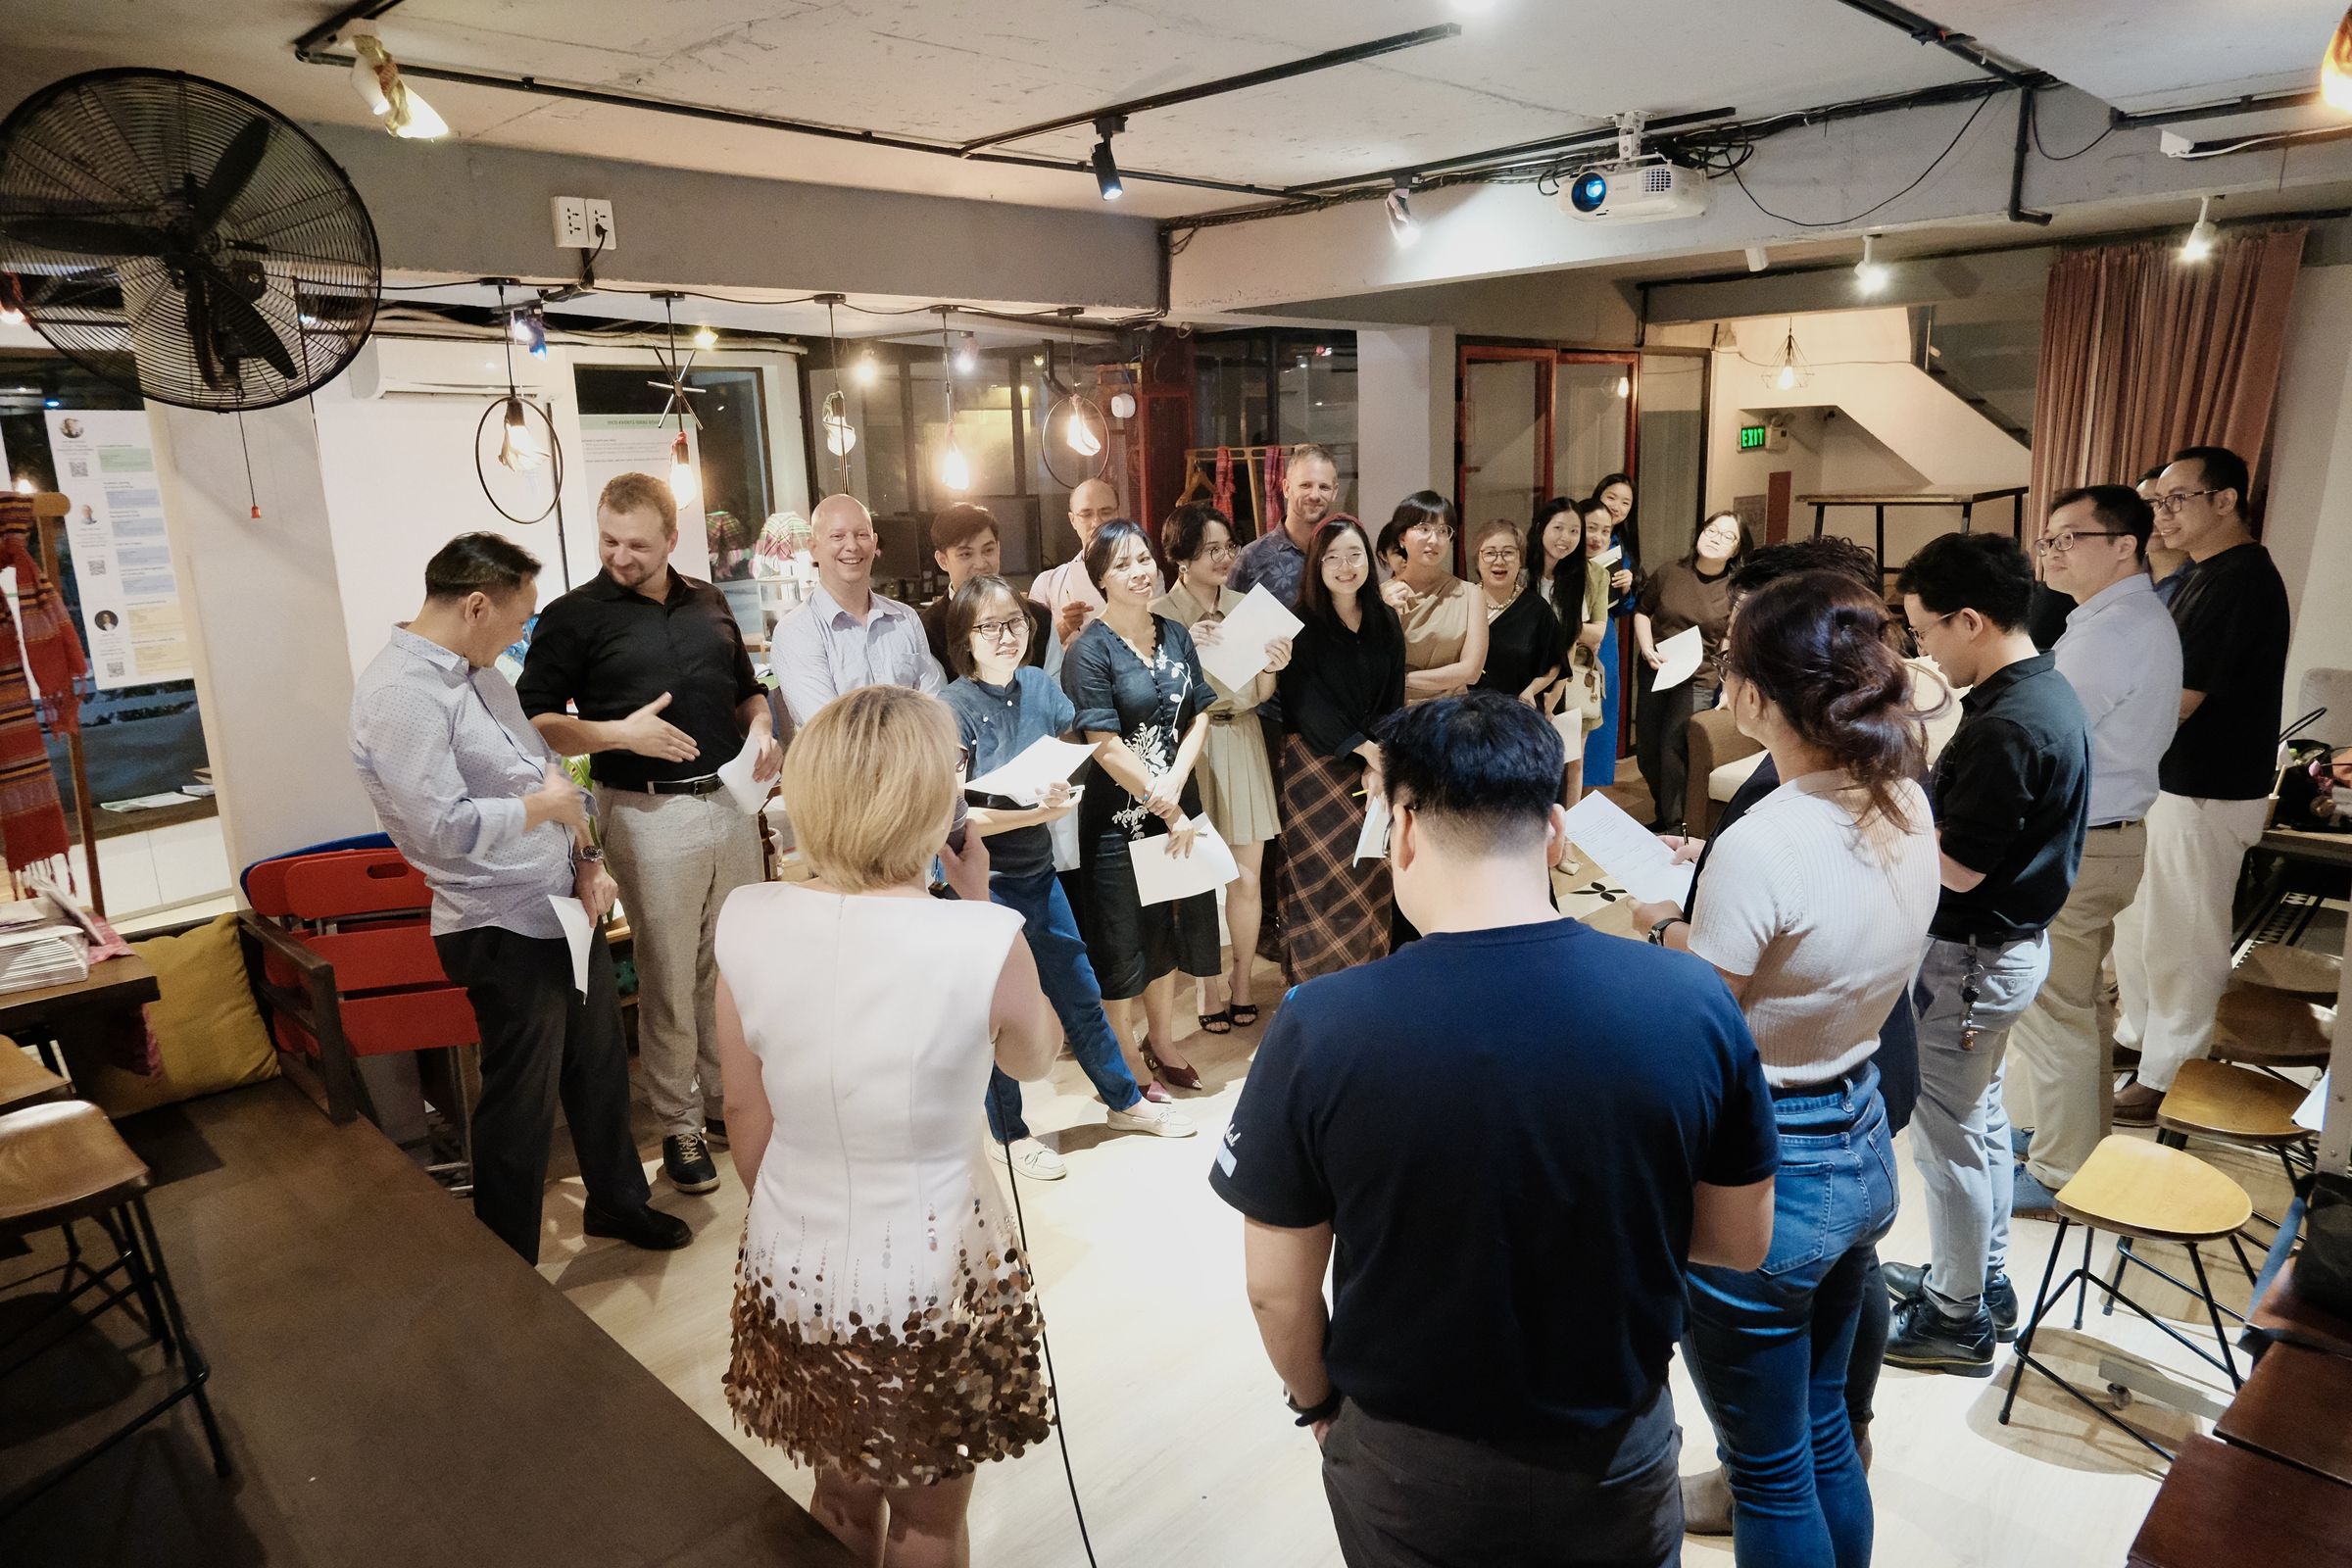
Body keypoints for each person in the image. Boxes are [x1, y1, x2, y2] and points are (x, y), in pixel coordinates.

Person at [1211, 692, 1779, 1568]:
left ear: (1402, 830)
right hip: (1615, 1446)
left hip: (1409, 1458)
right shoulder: (1690, 997)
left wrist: (1317, 1405)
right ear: (1555, 832)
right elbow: (1740, 1242)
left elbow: (1275, 1290)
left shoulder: (1320, 1023)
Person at [1632, 534, 1941, 1538]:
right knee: (1822, 1432)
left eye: (1731, 662)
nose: (1722, 678)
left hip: (1775, 1160)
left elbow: (1704, 1018)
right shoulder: (1904, 798)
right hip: (1860, 1126)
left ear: (1761, 697)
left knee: (1767, 1472)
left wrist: (1662, 928)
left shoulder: (1763, 838)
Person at [713, 684, 1057, 1568]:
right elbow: (1034, 1058)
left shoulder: (749, 917)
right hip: (932, 1266)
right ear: (935, 803)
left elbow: (744, 1107)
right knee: (928, 1520)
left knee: (838, 1492)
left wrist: (790, 1211)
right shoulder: (982, 937)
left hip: (793, 1253)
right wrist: (977, 904)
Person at [352, 532, 690, 1263]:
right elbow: (441, 828)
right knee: (521, 1100)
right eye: (518, 618)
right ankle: (507, 1263)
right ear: (476, 606)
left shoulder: (483, 678)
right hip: (496, 921)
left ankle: (618, 1202)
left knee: (599, 1064)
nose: (522, 635)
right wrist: (544, 811)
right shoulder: (400, 694)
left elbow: (547, 773)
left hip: (562, 901)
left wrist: (587, 859)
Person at [518, 472, 779, 1198]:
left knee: (731, 965)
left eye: (636, 544)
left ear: (671, 538)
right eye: (609, 541)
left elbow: (746, 690)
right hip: (645, 810)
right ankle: (678, 1122)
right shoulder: (573, 616)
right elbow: (535, 719)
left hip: (731, 802)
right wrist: (617, 732)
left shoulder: (709, 601)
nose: (620, 556)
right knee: (666, 972)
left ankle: (726, 1096)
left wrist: (761, 727)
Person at [1886, 533, 2090, 1376]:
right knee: (1981, 1122)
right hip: (2003, 952)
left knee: (1950, 1141)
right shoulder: (2043, 689)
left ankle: (1955, 1316)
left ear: (1970, 619)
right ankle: (1983, 1279)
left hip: (1970, 960)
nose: (1924, 650)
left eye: (1926, 630)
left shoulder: (2009, 723)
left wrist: (1882, 823)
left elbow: (1961, 866)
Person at [940, 575, 1193, 1179]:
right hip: (979, 883)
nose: (1007, 636)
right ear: (964, 639)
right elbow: (952, 817)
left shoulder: (1038, 685)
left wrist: (1055, 793)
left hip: (1037, 870)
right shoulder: (950, 708)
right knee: (993, 1012)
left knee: (1079, 988)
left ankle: (1124, 1101)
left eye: (1015, 623)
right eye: (990, 627)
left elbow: (1065, 763)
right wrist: (1037, 810)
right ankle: (1008, 1133)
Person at [2005, 488, 2180, 1204]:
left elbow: (2043, 734)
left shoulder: (2115, 631)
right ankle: (2061, 1139)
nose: (2052, 552)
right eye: (2048, 539)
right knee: (2076, 1005)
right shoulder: (2117, 618)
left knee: (2060, 1011)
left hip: (2084, 842)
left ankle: (2063, 1172)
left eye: (2070, 538)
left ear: (2124, 545)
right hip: (2103, 837)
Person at [2111, 446, 2291, 1124]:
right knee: (2143, 925)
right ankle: (2139, 1039)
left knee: (2184, 936)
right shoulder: (2201, 575)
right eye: (2157, 502)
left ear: (2225, 500)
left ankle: (2172, 1072)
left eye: (2177, 499)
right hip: (2173, 780)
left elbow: (2181, 699)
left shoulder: (2240, 578)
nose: (2162, 515)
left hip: (2209, 785)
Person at [1063, 519, 1222, 1094]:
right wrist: (1165, 802)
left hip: (1176, 806)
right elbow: (1102, 744)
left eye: (1144, 559)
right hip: (1119, 822)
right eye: (1123, 564)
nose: (1140, 572)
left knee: (1166, 930)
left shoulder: (1174, 633)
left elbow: (1201, 711)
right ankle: (1127, 1055)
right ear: (1101, 578)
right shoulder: (1088, 650)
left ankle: (1163, 1039)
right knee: (1121, 940)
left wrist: (1177, 782)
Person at [1152, 503, 1290, 1033]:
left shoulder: (1247, 608)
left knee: (1247, 878)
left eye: (1228, 546)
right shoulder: (1160, 613)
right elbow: (1151, 694)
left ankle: (1242, 981)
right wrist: (1185, 650)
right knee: (1192, 879)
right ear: (1181, 556)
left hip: (1243, 736)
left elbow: (1260, 692)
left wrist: (1273, 668)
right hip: (1189, 744)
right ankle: (1206, 985)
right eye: (1211, 548)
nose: (1224, 557)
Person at [1276, 516, 1405, 983]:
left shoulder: (1385, 619)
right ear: (1316, 565)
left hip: (1375, 762)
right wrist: (1366, 752)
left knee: (1372, 873)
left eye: (1354, 555)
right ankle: (1316, 989)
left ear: (1369, 560)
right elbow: (1305, 703)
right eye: (1332, 557)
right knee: (1319, 879)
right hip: (1314, 767)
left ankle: (1369, 983)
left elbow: (1393, 697)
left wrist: (1380, 759)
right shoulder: (1298, 624)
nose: (1345, 566)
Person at [772, 493, 945, 729]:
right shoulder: (796, 631)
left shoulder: (906, 619)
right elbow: (828, 729)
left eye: (861, 535)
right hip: (844, 755)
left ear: (874, 544)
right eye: (837, 536)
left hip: (917, 752)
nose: (852, 546)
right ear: (813, 548)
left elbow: (935, 710)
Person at [1635, 511, 1747, 833]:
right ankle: (1664, 812)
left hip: (1699, 676)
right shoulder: (1669, 572)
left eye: (1727, 536)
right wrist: (1647, 648)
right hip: (1657, 669)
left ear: (1736, 549)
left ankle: (1677, 825)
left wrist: (1727, 684)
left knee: (1673, 748)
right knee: (1647, 751)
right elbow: (1643, 611)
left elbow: (1730, 640)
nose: (1716, 539)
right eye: (1712, 530)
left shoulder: (1736, 590)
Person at [917, 502, 1055, 677]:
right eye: (966, 554)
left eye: (988, 550)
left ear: (999, 549)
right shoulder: (927, 630)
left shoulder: (1039, 617)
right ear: (942, 560)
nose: (981, 564)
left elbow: (1055, 686)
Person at [1376, 492, 1488, 704]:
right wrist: (1384, 612)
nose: (1434, 540)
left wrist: (1403, 679)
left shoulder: (1470, 594)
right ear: (1402, 538)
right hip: (1395, 712)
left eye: (1443, 531)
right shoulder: (1381, 596)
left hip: (1452, 713)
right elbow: (1370, 665)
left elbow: (1471, 671)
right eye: (1424, 529)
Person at [1230, 443, 1342, 607]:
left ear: (1334, 492)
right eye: (1305, 485)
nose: (1314, 495)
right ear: (1287, 488)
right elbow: (1227, 618)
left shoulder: (1344, 556)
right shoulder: (1251, 559)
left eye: (1324, 487)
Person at [1028, 477, 1132, 646]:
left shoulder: (1145, 575)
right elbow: (1032, 650)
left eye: (1106, 512)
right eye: (1086, 514)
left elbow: (1161, 640)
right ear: (1072, 520)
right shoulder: (1047, 583)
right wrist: (1064, 626)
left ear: (1118, 514)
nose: (1097, 522)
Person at [1585, 473, 1641, 784]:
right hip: (1573, 633)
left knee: (1599, 712)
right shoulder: (1576, 536)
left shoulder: (1623, 549)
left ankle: (1589, 789)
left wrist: (1627, 589)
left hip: (1603, 636)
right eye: (1611, 497)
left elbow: (1623, 609)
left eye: (1625, 502)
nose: (1617, 506)